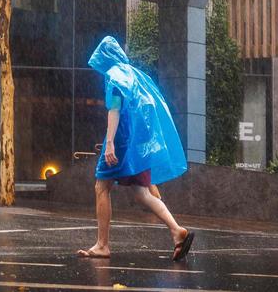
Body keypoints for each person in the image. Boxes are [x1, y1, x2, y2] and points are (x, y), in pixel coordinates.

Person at [77, 36, 194, 262]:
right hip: (138, 141)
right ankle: (177, 230)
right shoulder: (135, 75)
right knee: (141, 192)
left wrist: (110, 142)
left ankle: (102, 245)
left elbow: (115, 109)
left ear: (105, 58)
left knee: (102, 186)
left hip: (121, 140)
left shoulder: (114, 75)